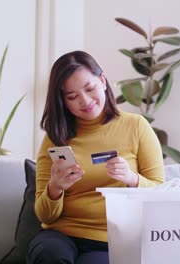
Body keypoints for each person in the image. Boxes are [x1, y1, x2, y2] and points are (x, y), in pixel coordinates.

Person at [27, 50, 165, 264]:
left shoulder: (136, 126)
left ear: (103, 80)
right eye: (72, 96)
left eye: (90, 88)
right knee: (49, 254)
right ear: (63, 101)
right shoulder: (55, 138)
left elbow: (160, 193)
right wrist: (55, 188)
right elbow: (45, 216)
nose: (85, 101)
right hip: (60, 235)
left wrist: (132, 179)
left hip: (111, 238)